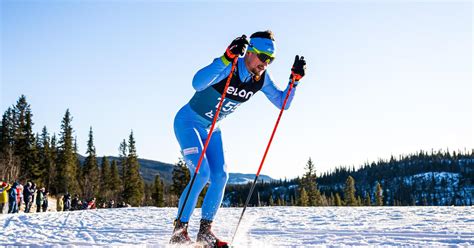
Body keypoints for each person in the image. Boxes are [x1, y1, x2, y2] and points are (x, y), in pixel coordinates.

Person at [169, 30, 306, 247]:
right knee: (201, 173)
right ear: (250, 52)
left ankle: (205, 232)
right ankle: (179, 231)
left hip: (212, 128)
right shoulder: (228, 65)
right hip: (189, 122)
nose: (266, 64)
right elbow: (197, 83)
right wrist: (226, 56)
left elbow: (282, 103)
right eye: (263, 57)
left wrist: (294, 81)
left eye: (271, 60)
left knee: (221, 176)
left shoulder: (261, 80)